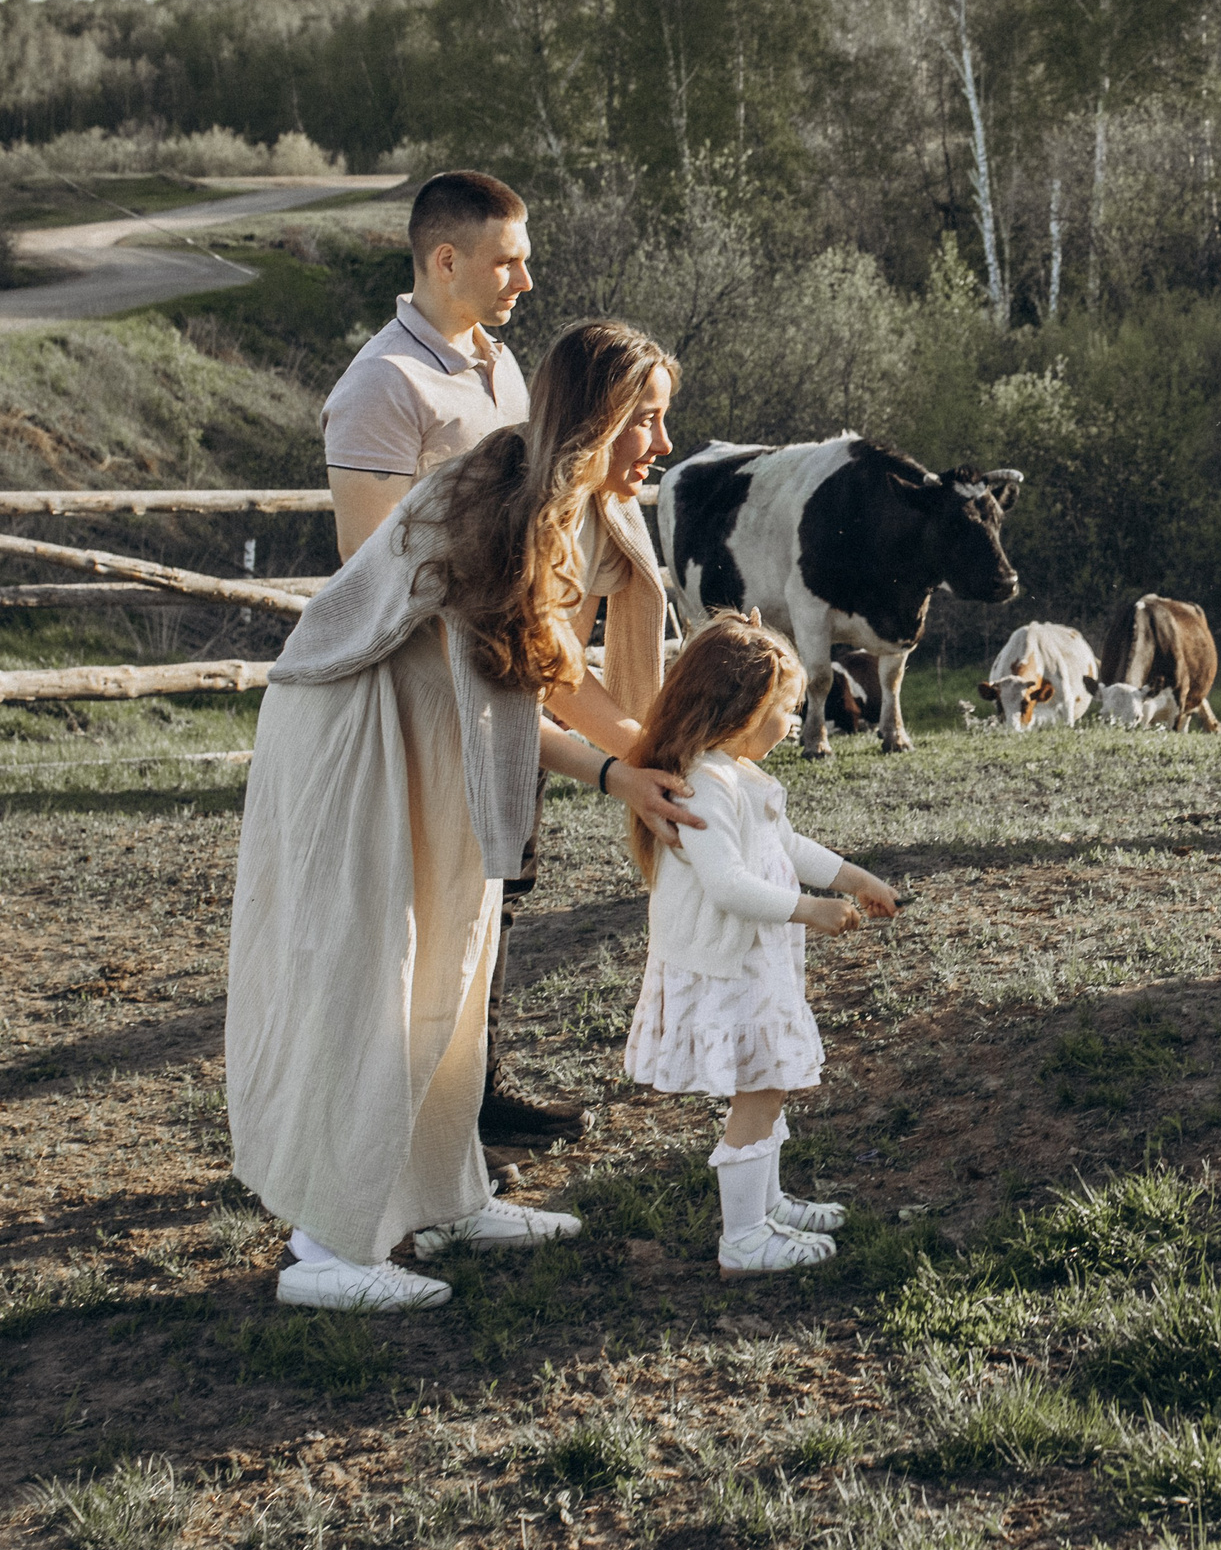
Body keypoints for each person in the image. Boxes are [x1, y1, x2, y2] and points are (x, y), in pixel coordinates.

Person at [229, 319, 702, 1313]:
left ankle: (444, 1196)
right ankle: (327, 1243)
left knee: (459, 956)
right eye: (646, 419)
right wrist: (620, 772)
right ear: (596, 418)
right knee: (379, 968)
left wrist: (667, 756)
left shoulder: (592, 511)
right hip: (361, 723)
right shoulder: (495, 503)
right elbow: (524, 682)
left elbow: (558, 676)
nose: (662, 444)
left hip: (445, 728)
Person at [321, 169, 643, 1165]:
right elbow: (374, 570)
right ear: (446, 258)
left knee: (496, 890)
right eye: (508, 261)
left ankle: (475, 1092)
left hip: (505, 676)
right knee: (429, 909)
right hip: (425, 695)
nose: (526, 280)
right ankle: (405, 1126)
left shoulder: (500, 369)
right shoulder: (381, 386)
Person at [618, 615, 902, 1277]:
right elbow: (727, 885)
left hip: (757, 964)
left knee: (769, 1085)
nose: (792, 722)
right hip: (729, 970)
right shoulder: (704, 787)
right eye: (785, 710)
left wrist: (855, 879)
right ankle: (744, 1236)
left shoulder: (737, 774)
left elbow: (785, 845)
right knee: (762, 1086)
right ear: (741, 709)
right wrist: (811, 910)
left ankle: (766, 1204)